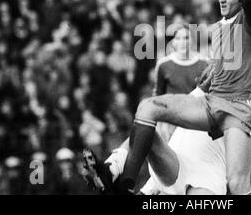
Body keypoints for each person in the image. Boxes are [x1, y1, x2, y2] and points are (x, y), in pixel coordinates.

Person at [86, 0, 251, 195]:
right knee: (149, 108)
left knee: (238, 186)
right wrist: (211, 74)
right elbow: (217, 72)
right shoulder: (218, 30)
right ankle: (121, 182)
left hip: (239, 107)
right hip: (211, 104)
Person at [83, 25, 227, 195]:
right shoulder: (195, 93)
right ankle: (112, 169)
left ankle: (122, 180)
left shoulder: (233, 105)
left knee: (149, 121)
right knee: (146, 127)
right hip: (176, 164)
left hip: (206, 175)